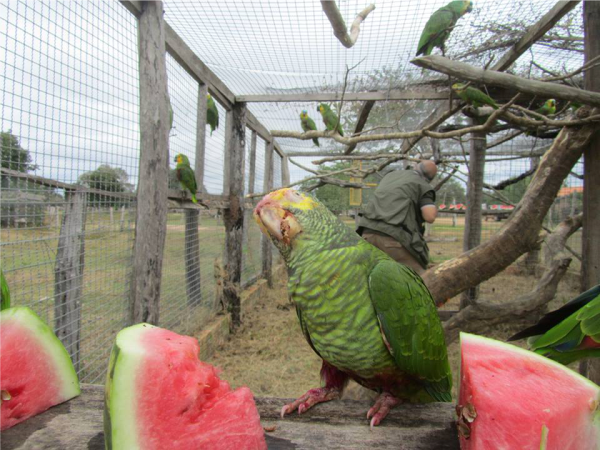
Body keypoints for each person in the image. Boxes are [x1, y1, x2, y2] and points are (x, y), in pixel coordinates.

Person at [356, 160, 438, 275]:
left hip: (367, 234)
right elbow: (429, 216)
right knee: (419, 281)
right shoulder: (421, 184)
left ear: (415, 167)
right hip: (394, 239)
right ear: (430, 178)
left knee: (372, 278)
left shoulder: (391, 176)